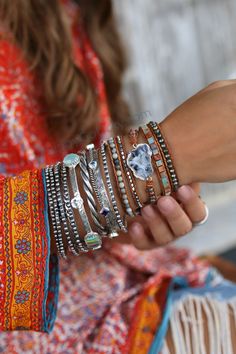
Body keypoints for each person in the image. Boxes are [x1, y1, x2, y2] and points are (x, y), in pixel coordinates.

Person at [0, 0, 235, 353]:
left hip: (112, 281)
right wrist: (162, 156)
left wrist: (118, 211)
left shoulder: (59, 11)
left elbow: (64, 178)